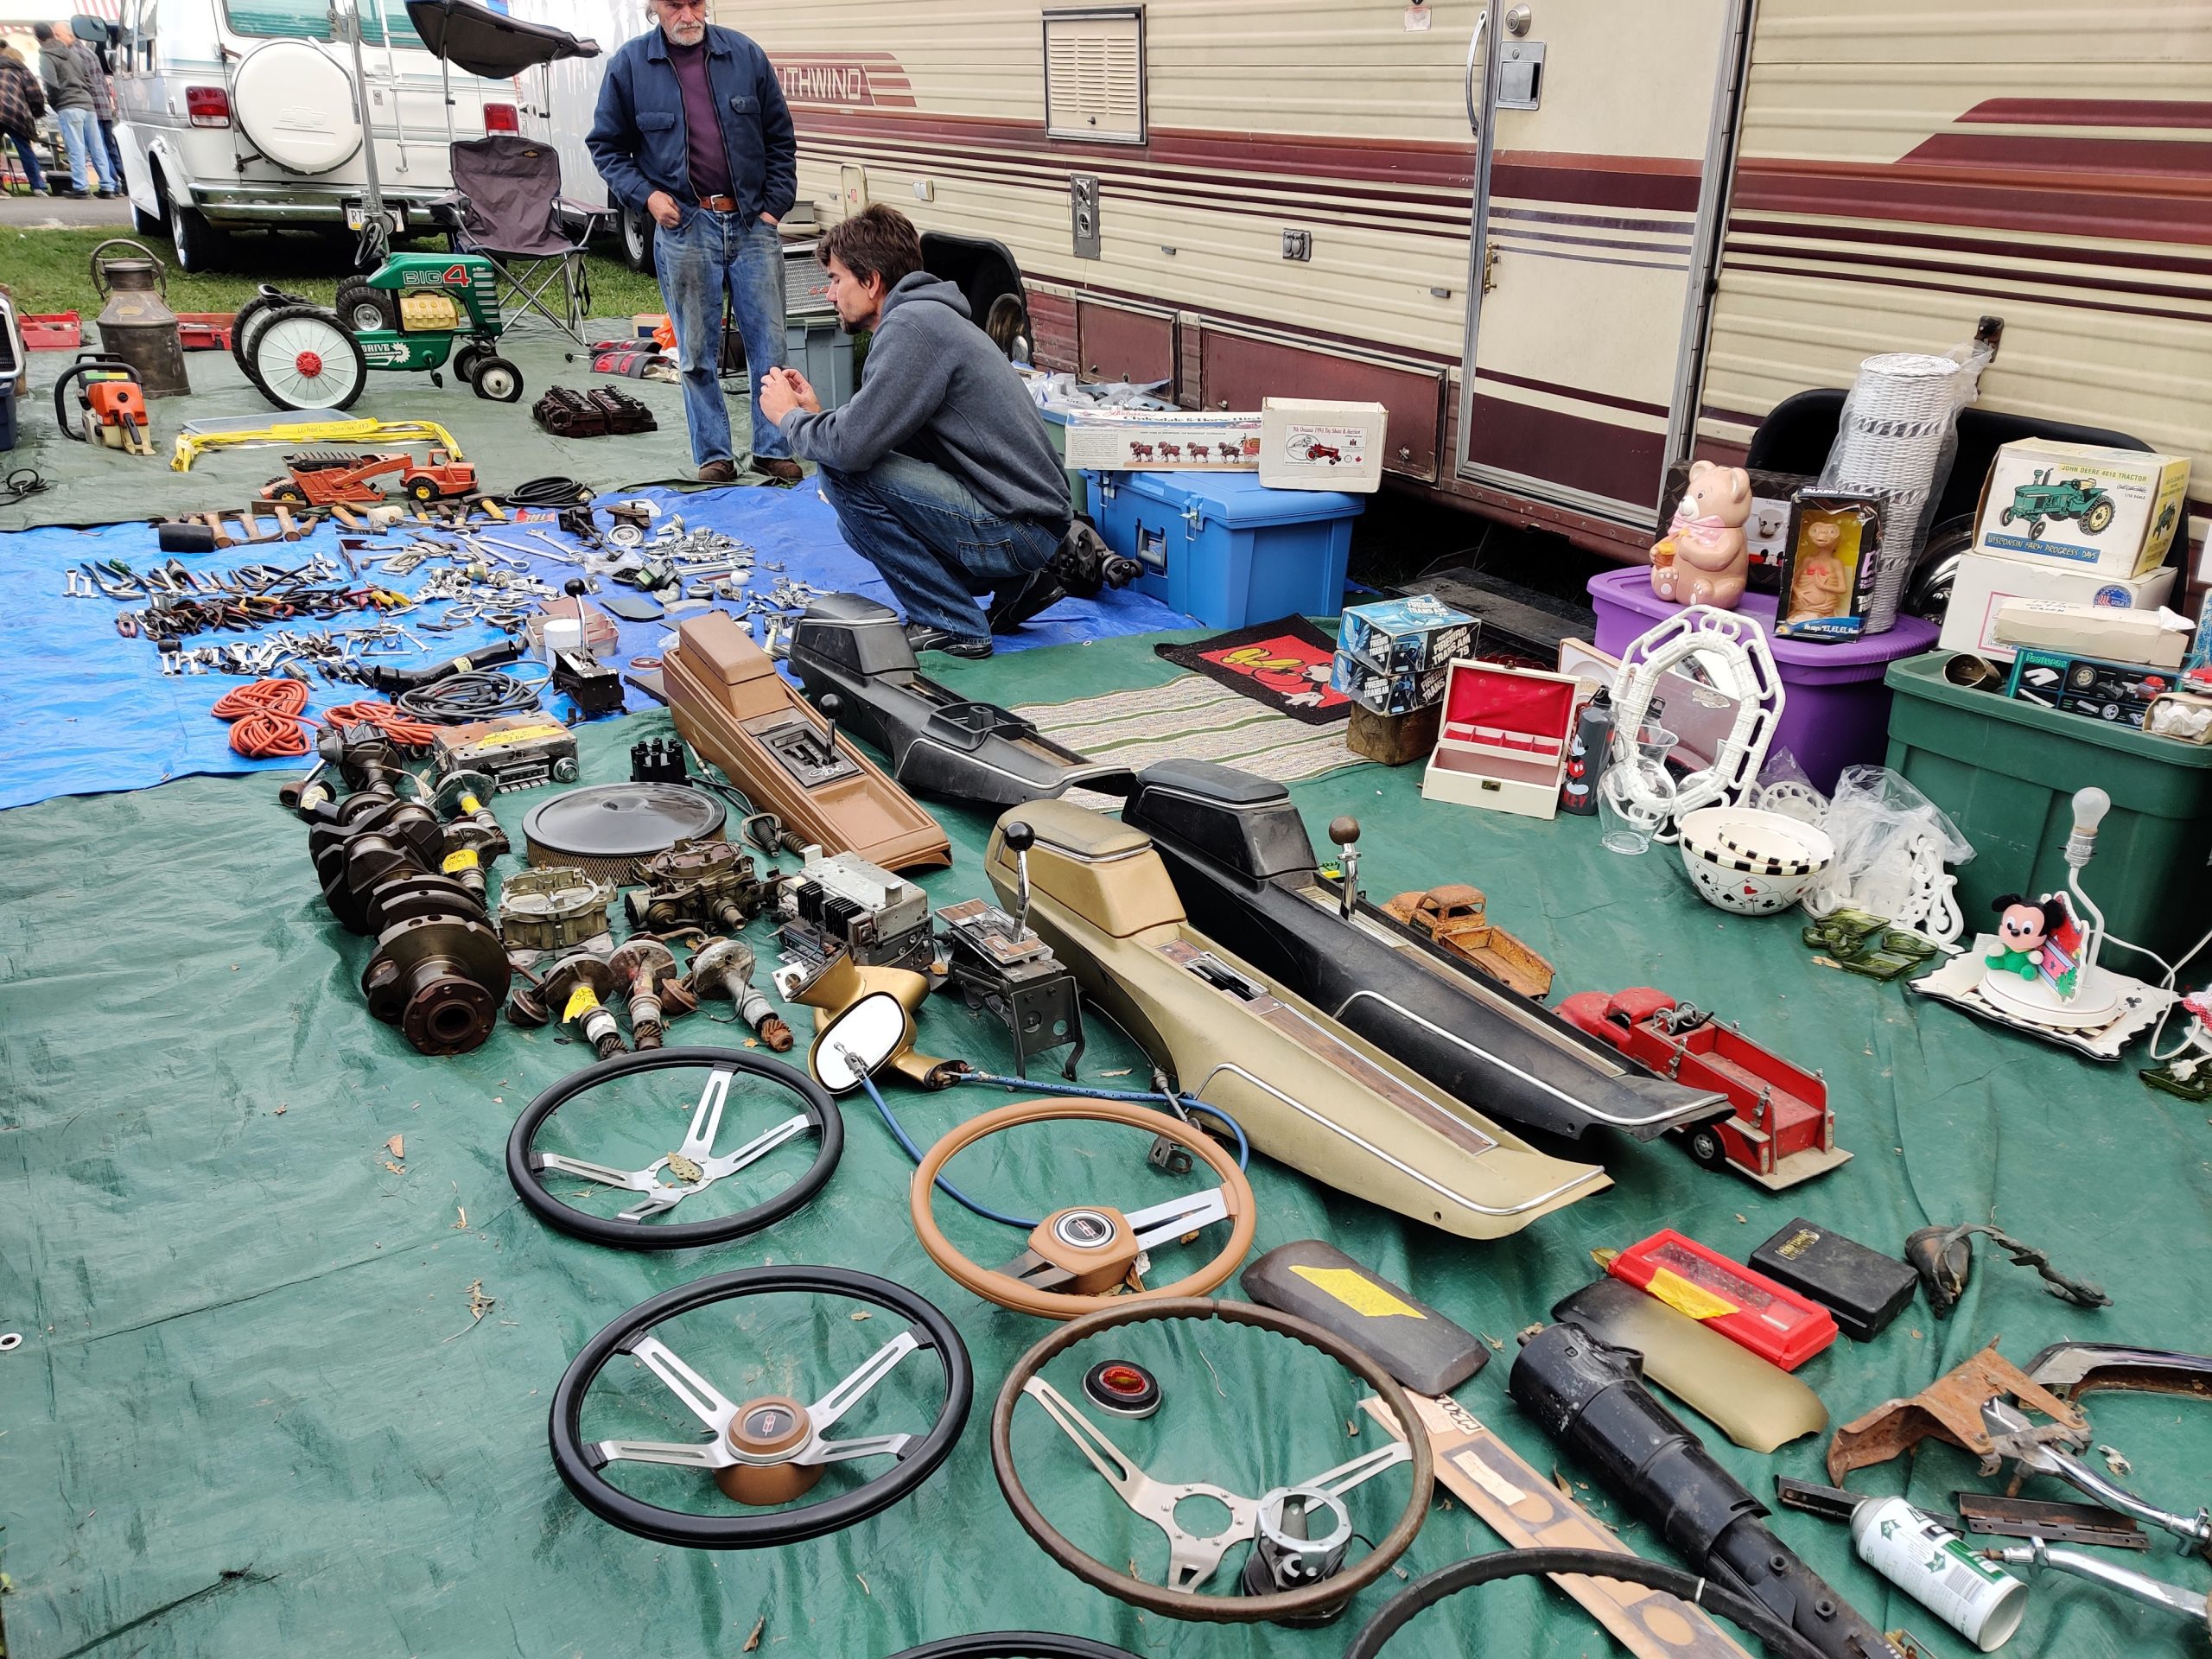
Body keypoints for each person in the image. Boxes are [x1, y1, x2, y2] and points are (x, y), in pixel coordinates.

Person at [760, 205, 1079, 660]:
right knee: (856, 525)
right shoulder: (926, 318)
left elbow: (850, 451)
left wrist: (789, 419)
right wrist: (816, 413)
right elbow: (875, 430)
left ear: (871, 282)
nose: (828, 293)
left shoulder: (914, 328)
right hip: (1034, 523)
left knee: (843, 478)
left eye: (835, 280)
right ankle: (1021, 583)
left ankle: (952, 625)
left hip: (1020, 528)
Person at [585, 0, 800, 485]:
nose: (688, 14)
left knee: (770, 344)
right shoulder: (630, 66)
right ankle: (715, 456)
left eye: (696, 2)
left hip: (750, 222)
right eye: (674, 4)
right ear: (653, 8)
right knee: (697, 352)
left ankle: (772, 449)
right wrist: (647, 197)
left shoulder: (746, 56)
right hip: (684, 224)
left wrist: (773, 207)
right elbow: (606, 146)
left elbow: (780, 139)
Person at [32, 22, 113, 198]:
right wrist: (88, 96)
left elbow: (51, 83)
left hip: (69, 104)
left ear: (37, 37)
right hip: (87, 104)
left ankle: (81, 186)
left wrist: (55, 103)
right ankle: (108, 186)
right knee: (97, 147)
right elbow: (88, 79)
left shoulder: (46, 56)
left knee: (75, 147)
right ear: (52, 35)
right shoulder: (73, 53)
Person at [0, 42, 48, 196]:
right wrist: (37, 112)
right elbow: (35, 94)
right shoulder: (22, 70)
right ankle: (38, 186)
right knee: (25, 149)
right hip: (15, 113)